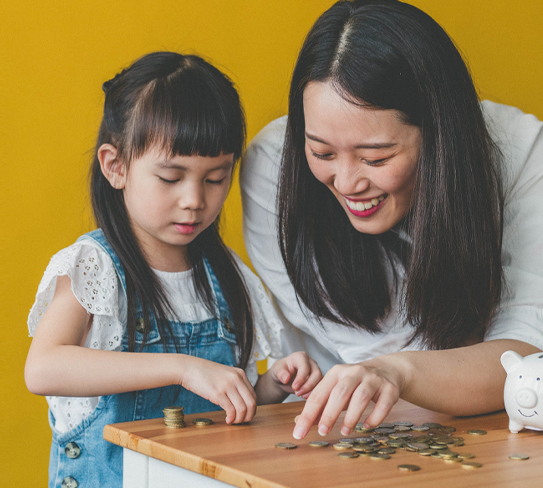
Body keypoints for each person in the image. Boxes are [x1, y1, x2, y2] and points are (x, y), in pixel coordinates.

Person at [240, 0, 543, 441]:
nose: (346, 182)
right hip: (332, 434)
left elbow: (527, 352)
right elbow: (396, 373)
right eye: (321, 152)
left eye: (375, 157)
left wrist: (397, 371)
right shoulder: (273, 169)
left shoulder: (519, 149)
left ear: (438, 134)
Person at [24, 52, 322, 488]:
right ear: (116, 166)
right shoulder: (97, 266)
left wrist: (274, 387)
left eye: (215, 178)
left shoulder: (227, 278)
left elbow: (224, 413)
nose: (194, 199)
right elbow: (44, 368)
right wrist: (183, 367)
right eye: (170, 177)